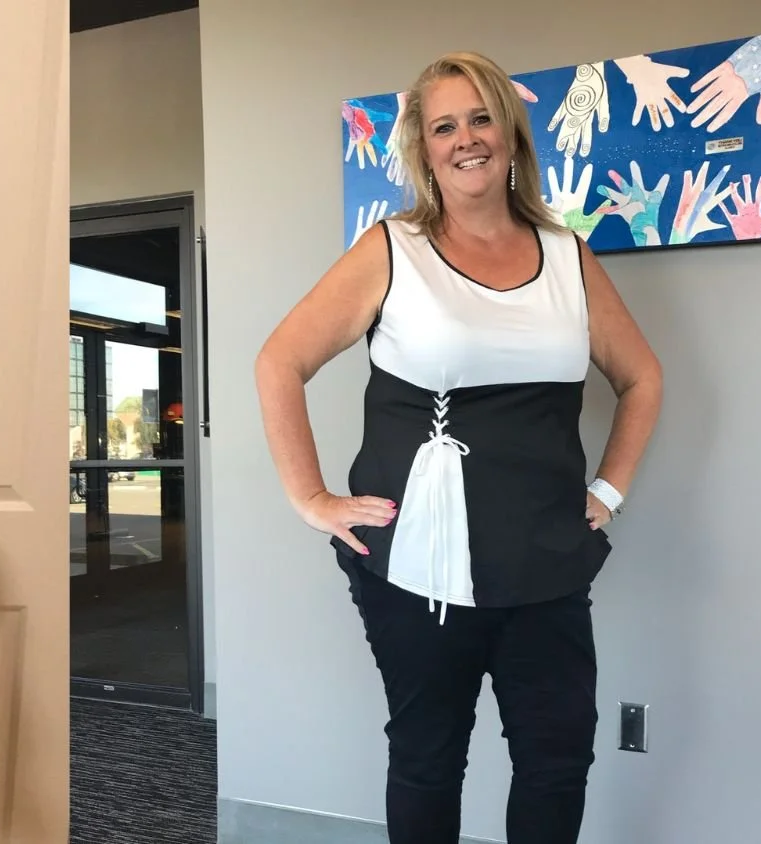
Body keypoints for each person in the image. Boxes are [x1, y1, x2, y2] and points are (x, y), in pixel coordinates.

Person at [255, 52, 662, 843]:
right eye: (445, 125)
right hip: (417, 566)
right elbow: (280, 361)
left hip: (545, 562)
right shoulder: (392, 247)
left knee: (556, 760)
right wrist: (310, 498)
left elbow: (642, 378)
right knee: (427, 757)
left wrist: (608, 493)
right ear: (424, 148)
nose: (466, 138)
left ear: (510, 136)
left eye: (481, 118)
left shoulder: (567, 256)